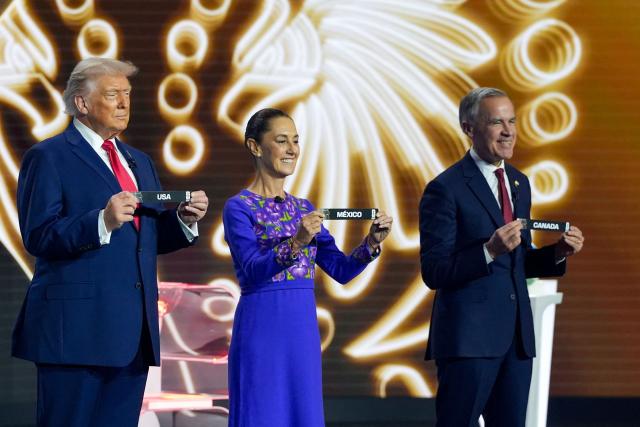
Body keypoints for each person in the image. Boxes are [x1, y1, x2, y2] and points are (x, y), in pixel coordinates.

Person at [11, 58, 209, 427]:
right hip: (75, 334)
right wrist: (100, 220)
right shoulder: (48, 156)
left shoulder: (139, 161)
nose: (124, 104)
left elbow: (144, 239)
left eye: (128, 95)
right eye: (113, 94)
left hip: (131, 335)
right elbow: (38, 235)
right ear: (82, 104)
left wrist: (182, 220)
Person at [419, 87, 584, 427]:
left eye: (512, 121)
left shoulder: (520, 183)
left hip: (516, 341)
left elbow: (519, 262)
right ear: (469, 128)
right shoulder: (445, 189)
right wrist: (488, 251)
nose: (508, 131)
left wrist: (557, 253)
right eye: (496, 122)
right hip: (469, 342)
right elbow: (434, 271)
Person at [223, 108, 393, 426]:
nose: (292, 150)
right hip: (263, 329)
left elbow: (340, 270)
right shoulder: (238, 207)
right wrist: (297, 241)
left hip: (301, 333)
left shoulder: (304, 208)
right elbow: (251, 269)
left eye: (296, 141)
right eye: (282, 140)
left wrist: (370, 243)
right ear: (255, 147)